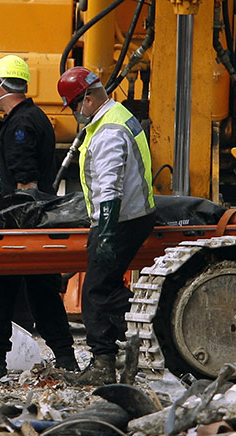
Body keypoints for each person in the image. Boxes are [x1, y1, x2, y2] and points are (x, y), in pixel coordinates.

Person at [0, 55, 78, 380]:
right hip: (38, 222)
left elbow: (25, 182)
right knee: (43, 293)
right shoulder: (36, 117)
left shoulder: (19, 123)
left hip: (22, 224)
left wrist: (16, 226)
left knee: (2, 291)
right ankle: (65, 357)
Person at [57, 67, 156, 385]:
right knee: (106, 287)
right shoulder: (114, 117)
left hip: (120, 219)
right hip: (131, 215)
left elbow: (110, 187)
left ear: (86, 99)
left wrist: (107, 234)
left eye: (73, 106)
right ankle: (129, 341)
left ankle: (110, 359)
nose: (74, 114)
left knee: (96, 291)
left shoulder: (109, 131)